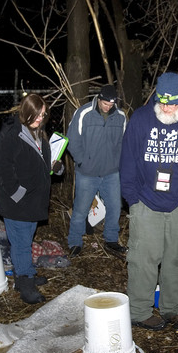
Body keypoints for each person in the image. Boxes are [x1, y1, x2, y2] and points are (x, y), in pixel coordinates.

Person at [120, 72, 178, 330]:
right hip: (145, 201)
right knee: (143, 258)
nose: (167, 108)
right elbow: (127, 163)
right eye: (163, 102)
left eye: (173, 103)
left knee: (175, 259)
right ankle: (139, 312)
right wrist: (133, 200)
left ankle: (171, 309)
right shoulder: (140, 120)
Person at [0, 93, 60, 304]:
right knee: (21, 244)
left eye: (43, 114)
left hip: (34, 201)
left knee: (26, 239)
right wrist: (18, 194)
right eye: (36, 114)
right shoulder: (10, 136)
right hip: (18, 203)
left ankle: (25, 272)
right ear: (25, 112)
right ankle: (25, 284)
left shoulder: (39, 133)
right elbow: (3, 170)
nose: (40, 118)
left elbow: (42, 163)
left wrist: (56, 167)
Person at [65, 84, 127, 258]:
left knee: (115, 207)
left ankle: (111, 240)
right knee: (81, 209)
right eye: (105, 103)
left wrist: (119, 163)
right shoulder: (84, 113)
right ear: (98, 99)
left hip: (111, 172)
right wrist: (83, 161)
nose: (108, 106)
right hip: (88, 172)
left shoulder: (121, 116)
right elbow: (72, 139)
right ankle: (75, 241)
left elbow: (124, 142)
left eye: (111, 104)